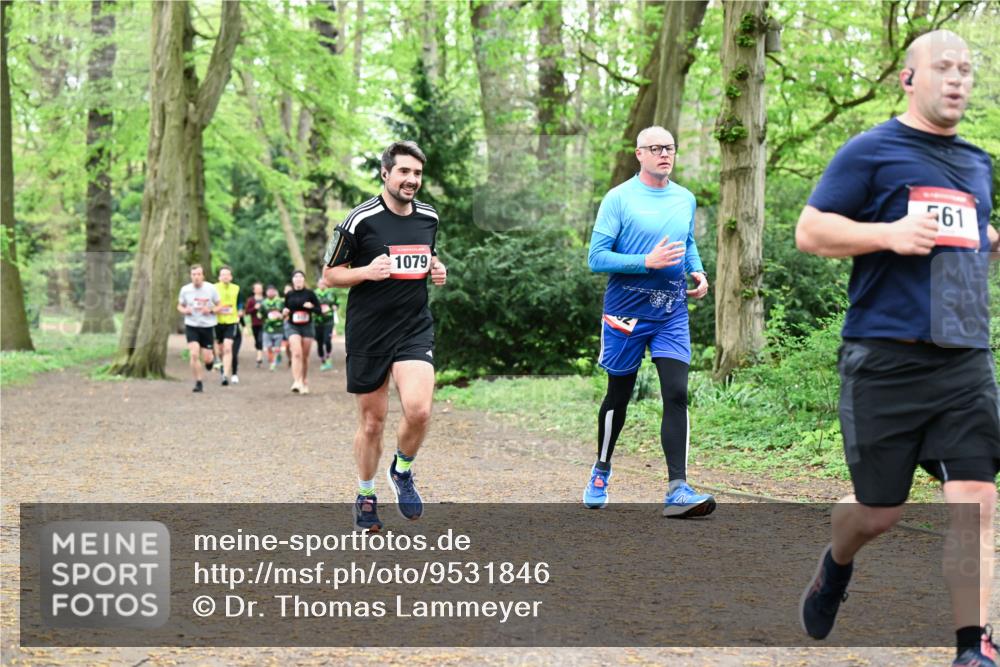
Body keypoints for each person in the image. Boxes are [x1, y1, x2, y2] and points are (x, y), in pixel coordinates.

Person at [794, 31, 1000, 666]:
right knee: (879, 513)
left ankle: (973, 647)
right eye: (943, 68)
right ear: (909, 79)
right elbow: (810, 231)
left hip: (964, 358)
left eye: (967, 69)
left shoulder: (976, 162)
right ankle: (836, 564)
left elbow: (970, 233)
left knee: (976, 500)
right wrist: (886, 233)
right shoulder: (870, 151)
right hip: (884, 359)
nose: (958, 79)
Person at [583, 125, 714, 518]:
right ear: (639, 154)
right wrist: (645, 262)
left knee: (676, 392)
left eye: (669, 147)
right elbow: (596, 257)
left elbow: (687, 241)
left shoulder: (685, 198)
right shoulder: (618, 198)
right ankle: (602, 468)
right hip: (625, 313)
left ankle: (678, 488)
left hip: (671, 311)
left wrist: (698, 270)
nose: (664, 154)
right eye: (655, 148)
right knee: (618, 396)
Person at [323, 140, 447, 533]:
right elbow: (329, 275)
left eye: (417, 173)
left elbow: (427, 257)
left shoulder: (429, 217)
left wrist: (436, 268)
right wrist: (365, 272)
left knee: (420, 410)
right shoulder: (359, 220)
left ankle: (403, 470)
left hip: (413, 328)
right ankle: (365, 495)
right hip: (369, 333)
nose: (412, 180)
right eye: (404, 172)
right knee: (373, 422)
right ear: (385, 173)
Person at [177, 264, 220, 393]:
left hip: (207, 326)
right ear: (191, 276)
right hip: (192, 325)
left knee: (207, 357)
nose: (196, 277)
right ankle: (198, 382)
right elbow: (179, 306)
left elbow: (220, 305)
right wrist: (185, 310)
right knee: (194, 354)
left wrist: (211, 310)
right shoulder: (185, 290)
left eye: (198, 274)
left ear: (203, 276)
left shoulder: (211, 288)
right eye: (194, 274)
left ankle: (210, 362)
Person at [283, 270, 318, 394]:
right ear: (292, 280)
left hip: (307, 327)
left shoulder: (310, 293)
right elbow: (285, 308)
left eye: (300, 277)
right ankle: (296, 381)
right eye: (296, 277)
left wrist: (312, 307)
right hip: (293, 326)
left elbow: (318, 310)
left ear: (304, 280)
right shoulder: (289, 294)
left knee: (304, 356)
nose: (298, 279)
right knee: (296, 353)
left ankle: (304, 380)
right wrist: (285, 312)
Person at [213, 266, 240, 386]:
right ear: (219, 277)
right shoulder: (213, 288)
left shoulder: (236, 288)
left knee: (228, 347)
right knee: (220, 349)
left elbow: (240, 302)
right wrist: (216, 309)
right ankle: (221, 364)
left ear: (231, 277)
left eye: (227, 274)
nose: (225, 276)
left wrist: (240, 311)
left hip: (231, 321)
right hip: (217, 322)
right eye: (223, 274)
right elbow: (209, 303)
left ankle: (225, 375)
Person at [314, 276, 339, 371]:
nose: (322, 285)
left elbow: (337, 303)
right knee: (319, 342)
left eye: (324, 283)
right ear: (317, 284)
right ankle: (322, 361)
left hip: (329, 321)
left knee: (327, 340)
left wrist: (335, 307)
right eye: (320, 283)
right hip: (317, 322)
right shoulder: (314, 294)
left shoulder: (331, 293)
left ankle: (328, 357)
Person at [260, 285, 285, 371]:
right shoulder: (263, 303)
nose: (270, 292)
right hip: (267, 329)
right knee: (269, 347)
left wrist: (281, 316)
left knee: (277, 348)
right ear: (266, 292)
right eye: (269, 291)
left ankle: (273, 363)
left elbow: (285, 313)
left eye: (272, 291)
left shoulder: (281, 302)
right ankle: (272, 361)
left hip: (278, 328)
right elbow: (260, 314)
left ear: (275, 292)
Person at [245, 282, 266, 368]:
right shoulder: (251, 300)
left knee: (260, 339)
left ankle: (259, 357)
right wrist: (254, 308)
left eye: (260, 288)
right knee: (257, 340)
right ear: (254, 290)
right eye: (257, 288)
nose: (259, 290)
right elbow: (247, 312)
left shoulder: (265, 299)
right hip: (255, 323)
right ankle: (259, 351)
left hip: (264, 323)